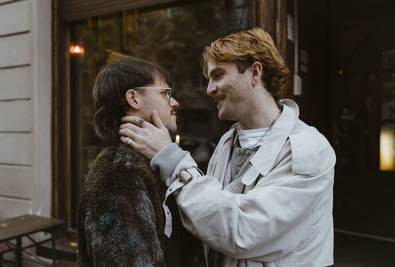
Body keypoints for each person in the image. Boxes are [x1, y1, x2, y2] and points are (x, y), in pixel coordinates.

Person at [119, 28, 336, 267]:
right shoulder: (227, 141)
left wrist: (172, 159)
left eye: (218, 75)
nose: (209, 89)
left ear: (255, 72)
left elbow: (244, 230)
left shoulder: (308, 147)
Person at [77, 57, 203, 266]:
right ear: (134, 99)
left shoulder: (148, 163)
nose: (175, 102)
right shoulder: (117, 176)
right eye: (165, 94)